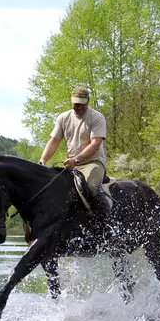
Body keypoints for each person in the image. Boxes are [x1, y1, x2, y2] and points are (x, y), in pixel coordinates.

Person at [39, 86, 110, 222]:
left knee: (91, 187)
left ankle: (104, 222)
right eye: (76, 104)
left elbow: (95, 144)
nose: (79, 107)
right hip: (72, 164)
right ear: (71, 102)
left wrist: (76, 160)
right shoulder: (63, 118)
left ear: (88, 102)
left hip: (93, 162)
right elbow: (54, 141)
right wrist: (43, 160)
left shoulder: (96, 118)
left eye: (82, 104)